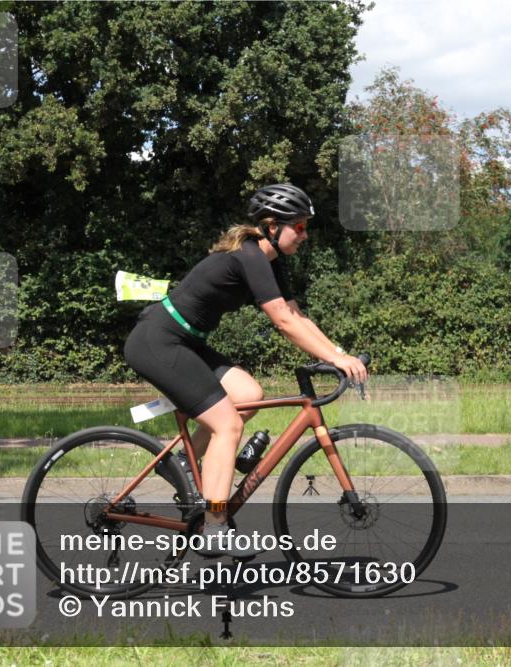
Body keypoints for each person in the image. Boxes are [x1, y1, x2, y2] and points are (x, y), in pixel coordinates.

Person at [123, 183, 367, 558]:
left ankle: (184, 465)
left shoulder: (269, 261)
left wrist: (337, 352)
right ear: (272, 226)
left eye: (305, 227)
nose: (304, 234)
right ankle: (214, 526)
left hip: (186, 341)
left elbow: (296, 314)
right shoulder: (249, 257)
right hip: (159, 341)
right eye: (298, 227)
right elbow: (283, 323)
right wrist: (337, 360)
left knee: (248, 396)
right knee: (228, 425)